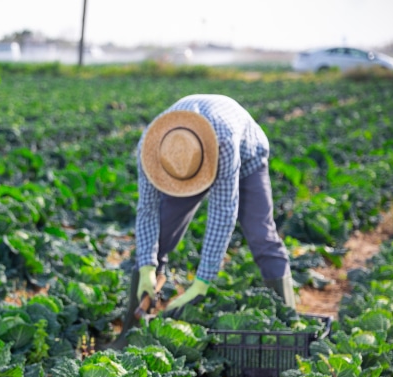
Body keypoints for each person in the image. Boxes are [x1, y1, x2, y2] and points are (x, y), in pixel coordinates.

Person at [125, 94, 294, 324]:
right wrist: (146, 266)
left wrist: (202, 282)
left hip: (246, 157)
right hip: (185, 164)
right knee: (161, 233)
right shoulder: (152, 146)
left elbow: (223, 213)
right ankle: (133, 325)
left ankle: (287, 322)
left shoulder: (224, 142)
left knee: (261, 235)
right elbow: (147, 210)